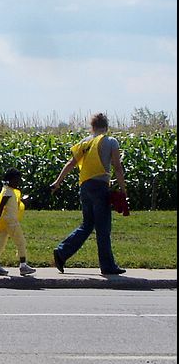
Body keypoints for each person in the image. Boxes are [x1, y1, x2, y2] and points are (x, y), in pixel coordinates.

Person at [50, 112, 127, 275]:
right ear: (106, 127)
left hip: (85, 186)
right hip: (100, 187)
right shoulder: (110, 141)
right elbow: (117, 167)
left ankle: (62, 252)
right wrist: (122, 188)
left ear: (92, 127)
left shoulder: (85, 142)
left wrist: (57, 183)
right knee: (103, 227)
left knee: (87, 224)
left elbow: (71, 164)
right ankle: (107, 266)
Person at [0, 168, 36, 276]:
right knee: (21, 242)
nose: (18, 182)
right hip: (11, 222)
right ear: (9, 180)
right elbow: (1, 207)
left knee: (1, 242)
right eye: (16, 180)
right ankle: (23, 265)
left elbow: (12, 204)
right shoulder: (8, 191)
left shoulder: (8, 190)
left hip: (5, 221)